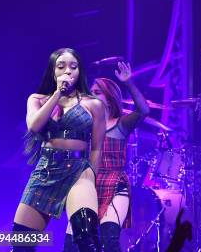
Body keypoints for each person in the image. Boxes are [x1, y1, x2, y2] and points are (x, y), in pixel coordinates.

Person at [12, 48, 106, 251]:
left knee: (87, 240)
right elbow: (34, 126)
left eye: (74, 66)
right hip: (46, 170)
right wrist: (57, 94)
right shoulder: (37, 99)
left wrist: (91, 176)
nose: (68, 71)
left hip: (79, 171)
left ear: (80, 71)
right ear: (53, 71)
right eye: (61, 66)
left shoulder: (94, 104)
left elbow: (97, 147)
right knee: (20, 243)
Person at [63, 62, 150, 251]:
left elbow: (143, 110)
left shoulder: (121, 123)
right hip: (87, 186)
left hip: (114, 184)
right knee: (71, 245)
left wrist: (129, 83)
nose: (92, 94)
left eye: (97, 91)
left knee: (109, 240)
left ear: (109, 98)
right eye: (91, 91)